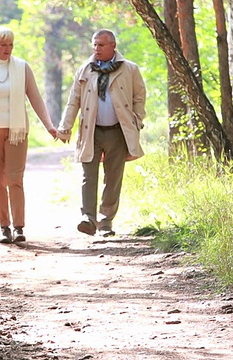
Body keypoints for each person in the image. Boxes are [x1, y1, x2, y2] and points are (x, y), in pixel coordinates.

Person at [0, 26, 57, 244]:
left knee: (15, 179)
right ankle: (3, 227)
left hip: (17, 131)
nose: (8, 49)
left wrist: (49, 126)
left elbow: (36, 99)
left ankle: (18, 227)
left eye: (11, 45)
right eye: (3, 45)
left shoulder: (22, 68)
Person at [57, 29, 146, 237]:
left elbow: (140, 97)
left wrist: (137, 121)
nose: (96, 49)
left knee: (113, 177)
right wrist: (65, 126)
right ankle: (88, 218)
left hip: (118, 131)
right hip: (91, 131)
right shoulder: (85, 70)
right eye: (94, 45)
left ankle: (106, 221)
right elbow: (74, 100)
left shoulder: (129, 69)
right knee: (89, 175)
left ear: (113, 46)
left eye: (101, 45)